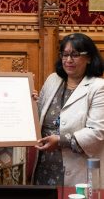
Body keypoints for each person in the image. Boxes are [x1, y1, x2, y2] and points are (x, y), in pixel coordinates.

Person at [33, 33, 104, 187]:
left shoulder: (99, 88)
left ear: (89, 58)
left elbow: (97, 132)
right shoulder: (53, 79)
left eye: (75, 55)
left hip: (78, 171)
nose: (68, 60)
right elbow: (39, 116)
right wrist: (29, 101)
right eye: (65, 55)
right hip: (44, 168)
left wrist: (60, 141)